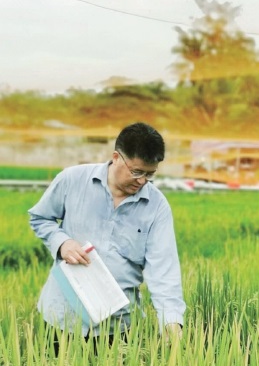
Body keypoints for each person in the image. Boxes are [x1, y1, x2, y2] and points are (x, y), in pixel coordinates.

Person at [29, 122, 185, 352]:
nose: (142, 181)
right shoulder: (72, 180)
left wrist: (171, 322)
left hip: (117, 328)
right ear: (116, 157)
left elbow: (164, 270)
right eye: (137, 172)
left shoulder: (157, 207)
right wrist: (62, 243)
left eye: (150, 174)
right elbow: (40, 218)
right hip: (61, 318)